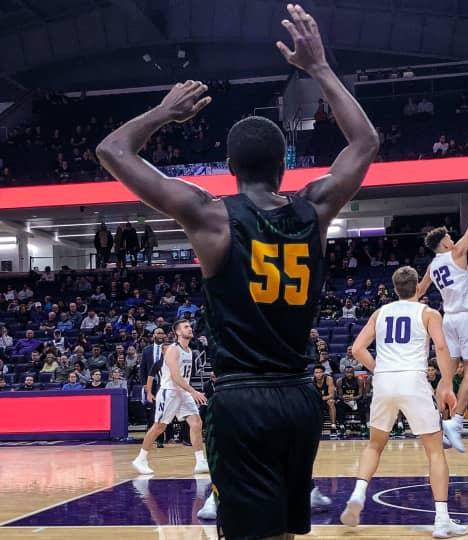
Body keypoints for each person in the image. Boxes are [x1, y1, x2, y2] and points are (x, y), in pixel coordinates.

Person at [96, 5, 379, 538]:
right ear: (285, 166)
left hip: (241, 398)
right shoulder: (314, 210)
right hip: (299, 395)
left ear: (229, 167)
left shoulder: (210, 216)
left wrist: (164, 111)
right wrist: (318, 68)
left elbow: (112, 149)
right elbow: (364, 143)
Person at [339, 266, 465, 538]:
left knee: (375, 445)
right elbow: (441, 347)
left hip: (384, 380)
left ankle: (359, 494)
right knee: (434, 451)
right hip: (413, 380)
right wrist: (445, 383)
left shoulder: (380, 312)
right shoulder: (428, 313)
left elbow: (357, 349)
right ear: (417, 286)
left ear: (395, 288)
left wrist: (378, 369)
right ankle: (442, 519)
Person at [417, 178, 468, 452]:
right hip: (465, 318)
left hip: (448, 319)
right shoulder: (457, 253)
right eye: (449, 237)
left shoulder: (432, 266)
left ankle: (441, 424)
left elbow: (416, 292)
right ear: (443, 243)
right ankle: (455, 422)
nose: (453, 239)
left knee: (446, 375)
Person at [131, 319, 208, 475]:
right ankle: (140, 459)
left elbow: (184, 378)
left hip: (182, 392)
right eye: (186, 327)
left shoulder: (190, 351)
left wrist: (188, 391)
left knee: (196, 422)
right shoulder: (173, 349)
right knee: (160, 426)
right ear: (178, 332)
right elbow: (175, 376)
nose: (190, 329)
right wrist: (193, 391)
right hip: (170, 392)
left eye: (190, 326)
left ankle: (200, 461)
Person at [313, 365, 338, 437]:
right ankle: (315, 427)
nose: (318, 374)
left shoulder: (328, 379)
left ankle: (333, 426)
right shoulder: (311, 380)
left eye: (320, 372)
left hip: (327, 398)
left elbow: (331, 394)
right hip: (317, 399)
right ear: (314, 373)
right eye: (316, 372)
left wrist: (323, 398)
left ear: (323, 373)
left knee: (331, 402)